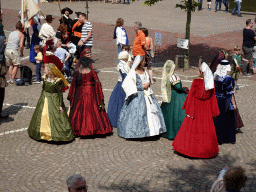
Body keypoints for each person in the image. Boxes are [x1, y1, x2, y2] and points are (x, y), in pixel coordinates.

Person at [172, 62, 220, 158]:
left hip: (196, 109)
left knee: (192, 129)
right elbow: (213, 98)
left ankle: (189, 150)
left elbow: (190, 97)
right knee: (205, 130)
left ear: (200, 72)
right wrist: (213, 111)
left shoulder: (196, 82)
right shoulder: (210, 84)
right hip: (206, 110)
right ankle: (205, 150)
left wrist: (189, 110)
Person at [117, 56, 166, 139]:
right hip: (138, 95)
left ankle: (152, 132)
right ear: (139, 62)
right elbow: (129, 84)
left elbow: (147, 79)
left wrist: (148, 83)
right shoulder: (133, 73)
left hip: (147, 94)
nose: (144, 62)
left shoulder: (144, 71)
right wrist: (142, 86)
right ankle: (137, 132)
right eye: (143, 61)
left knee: (152, 112)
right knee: (138, 113)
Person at [27, 63, 74, 142]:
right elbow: (43, 89)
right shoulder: (45, 78)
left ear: (50, 71)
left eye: (45, 69)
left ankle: (55, 134)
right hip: (44, 99)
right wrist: (40, 101)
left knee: (54, 116)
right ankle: (42, 133)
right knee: (43, 115)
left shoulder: (58, 81)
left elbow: (60, 94)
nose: (44, 71)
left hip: (54, 99)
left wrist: (60, 105)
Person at [68, 56, 112, 136]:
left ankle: (79, 128)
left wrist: (72, 96)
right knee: (92, 108)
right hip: (90, 92)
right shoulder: (92, 72)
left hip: (80, 92)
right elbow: (97, 83)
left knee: (80, 108)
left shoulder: (78, 72)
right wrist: (99, 95)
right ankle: (94, 128)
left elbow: (73, 85)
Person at [160, 60, 189, 140]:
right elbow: (178, 87)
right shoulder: (174, 76)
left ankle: (167, 131)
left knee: (168, 114)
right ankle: (175, 132)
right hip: (176, 97)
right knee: (177, 114)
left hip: (169, 96)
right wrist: (185, 89)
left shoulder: (166, 76)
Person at [214, 60, 236, 145]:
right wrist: (233, 103)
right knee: (225, 119)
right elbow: (230, 93)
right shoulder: (228, 79)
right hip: (224, 100)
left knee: (216, 118)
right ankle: (223, 138)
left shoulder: (215, 76)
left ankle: (216, 137)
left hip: (216, 98)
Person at [108, 51, 131, 127]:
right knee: (122, 102)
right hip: (123, 85)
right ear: (125, 58)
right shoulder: (125, 66)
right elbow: (126, 77)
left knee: (116, 102)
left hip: (118, 84)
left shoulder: (120, 64)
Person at [0, 36, 9, 119]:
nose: (5, 43)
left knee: (2, 97)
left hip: (1, 80)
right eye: (4, 42)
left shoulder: (2, 55)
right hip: (0, 80)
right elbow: (2, 71)